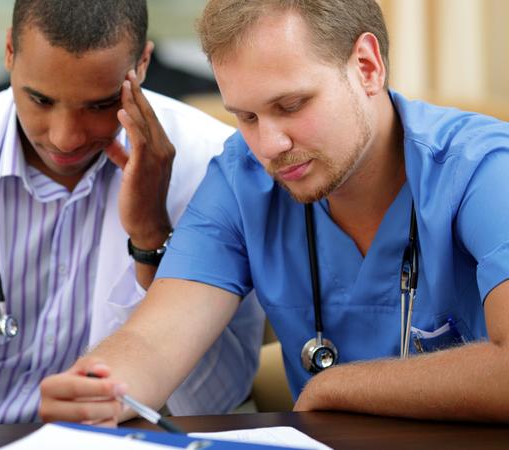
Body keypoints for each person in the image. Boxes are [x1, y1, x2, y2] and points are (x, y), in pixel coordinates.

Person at [39, 0, 509, 424]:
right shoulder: (242, 179)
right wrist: (99, 388)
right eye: (246, 116)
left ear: (367, 67)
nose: (269, 146)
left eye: (291, 105)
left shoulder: (482, 170)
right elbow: (153, 341)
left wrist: (335, 386)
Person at [0, 0, 265, 426]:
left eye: (98, 105)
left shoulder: (209, 164)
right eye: (40, 100)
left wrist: (152, 235)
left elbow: (215, 401)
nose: (65, 138)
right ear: (8, 52)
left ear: (144, 64)